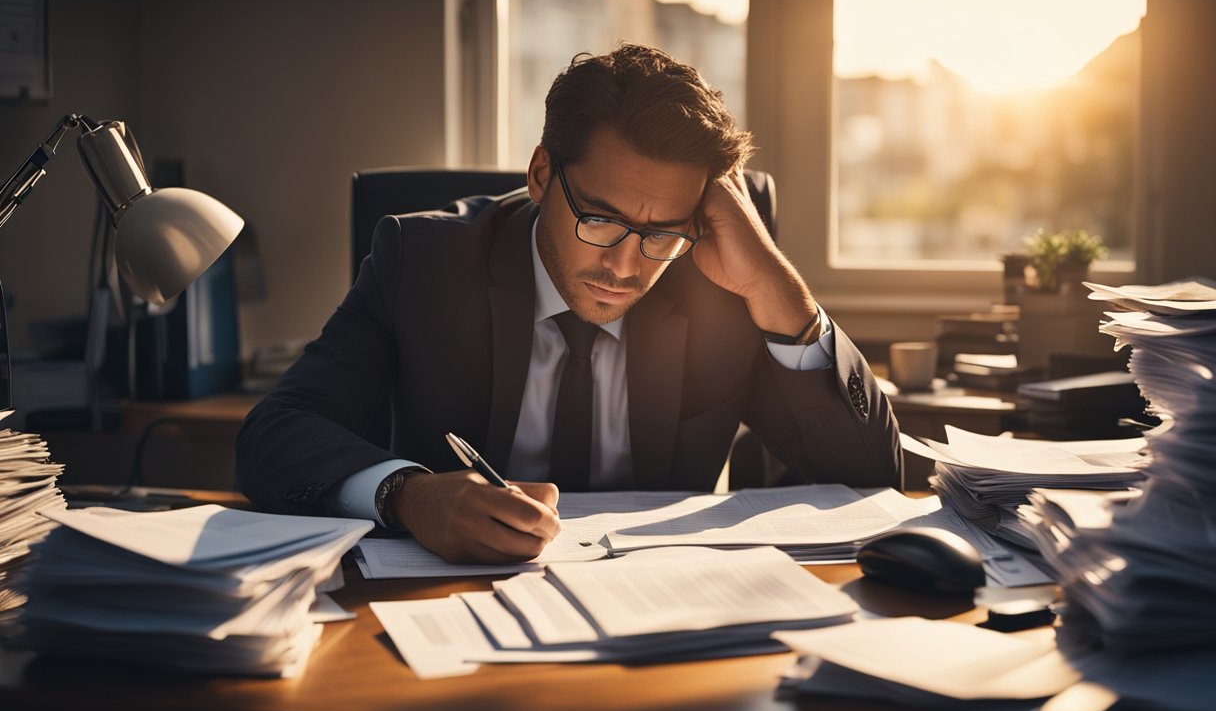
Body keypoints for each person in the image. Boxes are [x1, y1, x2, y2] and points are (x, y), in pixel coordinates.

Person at [236, 44, 901, 564]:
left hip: (663, 614)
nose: (624, 265)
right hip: (446, 603)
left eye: (661, 232)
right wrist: (406, 494)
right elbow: (277, 434)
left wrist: (776, 290)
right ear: (540, 174)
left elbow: (873, 478)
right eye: (602, 219)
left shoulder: (720, 283)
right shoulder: (423, 261)